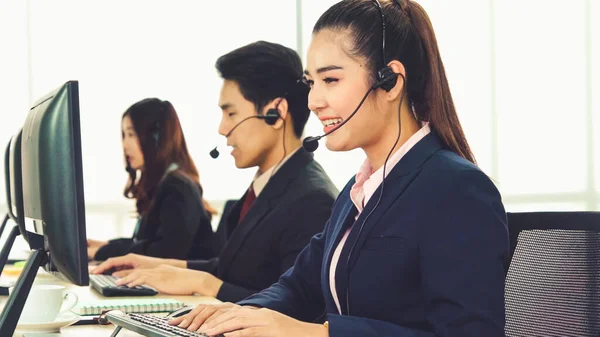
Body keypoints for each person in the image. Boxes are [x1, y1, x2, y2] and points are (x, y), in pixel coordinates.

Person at [166, 1, 509, 336]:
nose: (313, 101)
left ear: (389, 81)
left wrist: (318, 334)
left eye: (330, 80)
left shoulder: (456, 189)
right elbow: (299, 287)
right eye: (311, 83)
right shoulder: (356, 192)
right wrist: (241, 313)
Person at [92, 41, 339, 303]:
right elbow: (229, 270)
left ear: (275, 114)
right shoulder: (269, 185)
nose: (222, 128)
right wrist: (152, 264)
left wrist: (204, 283)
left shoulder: (311, 200)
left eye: (231, 113)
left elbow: (295, 310)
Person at [88, 98, 217, 261]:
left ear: (157, 138)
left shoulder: (178, 187)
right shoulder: (163, 184)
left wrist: (103, 252)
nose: (125, 144)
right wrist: (106, 245)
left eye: (131, 134)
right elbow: (146, 243)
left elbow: (164, 253)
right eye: (124, 135)